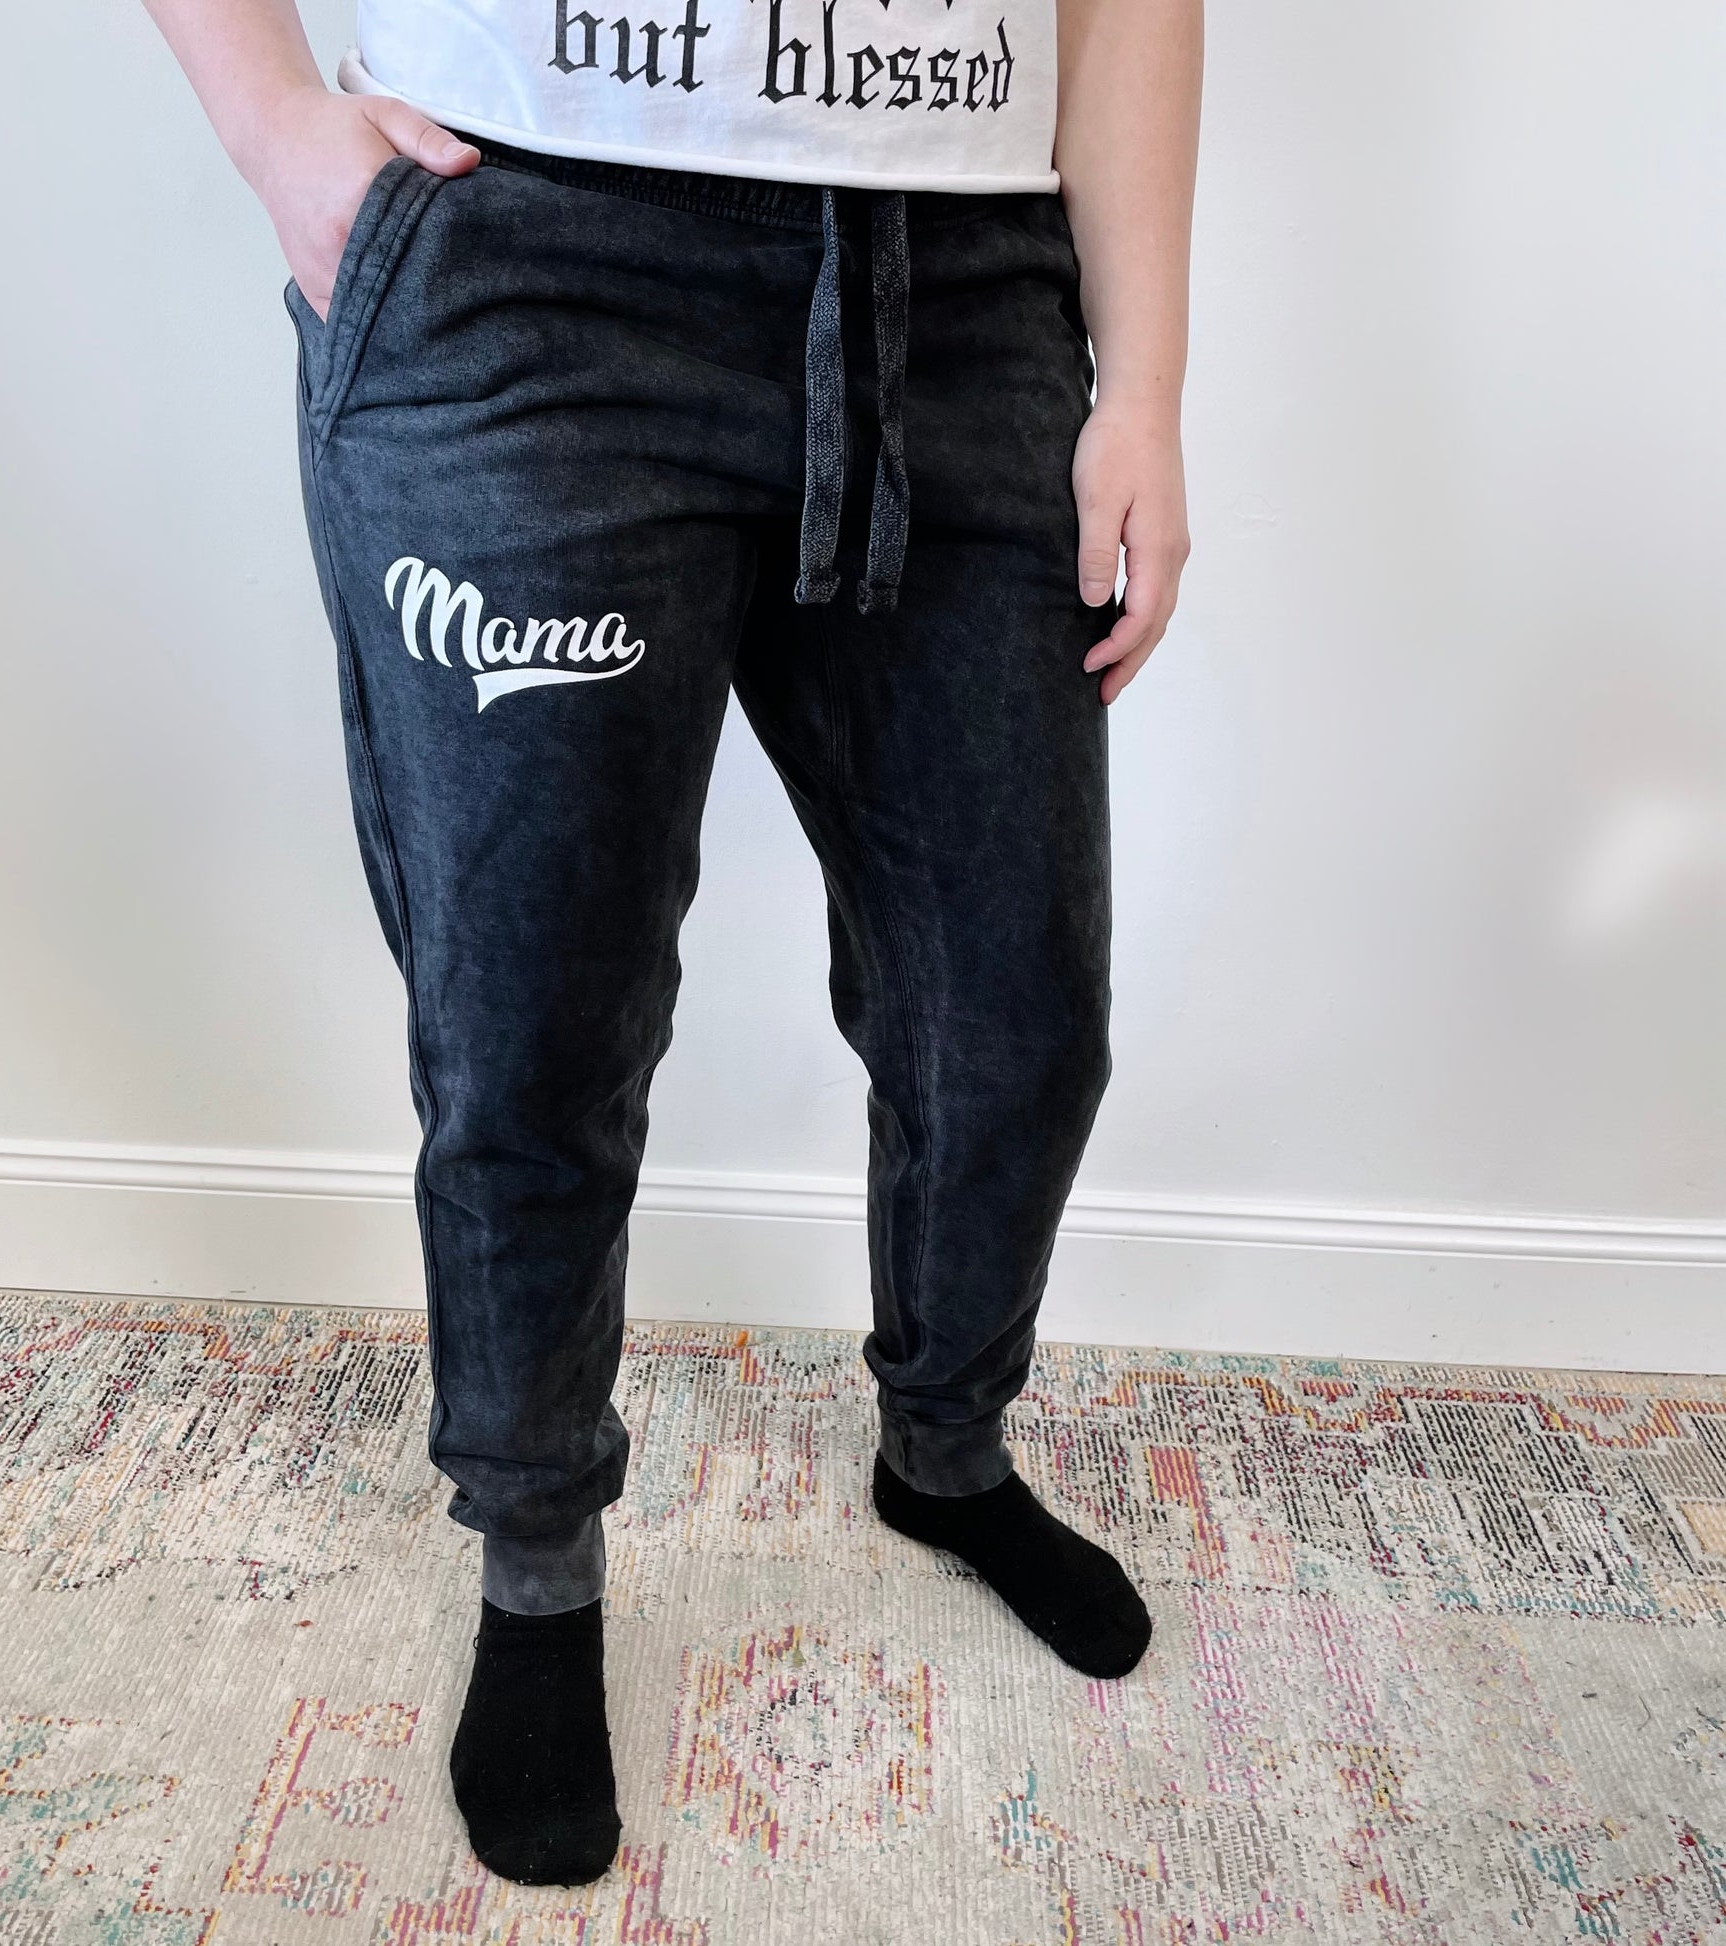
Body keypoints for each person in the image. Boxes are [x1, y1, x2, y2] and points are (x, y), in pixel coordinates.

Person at [139, 0, 1199, 1891]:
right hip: (531, 267)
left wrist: (1146, 386)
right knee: (538, 1015)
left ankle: (943, 1452)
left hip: (959, 294)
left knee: (1014, 1007)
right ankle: (536, 1562)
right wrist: (274, 122)